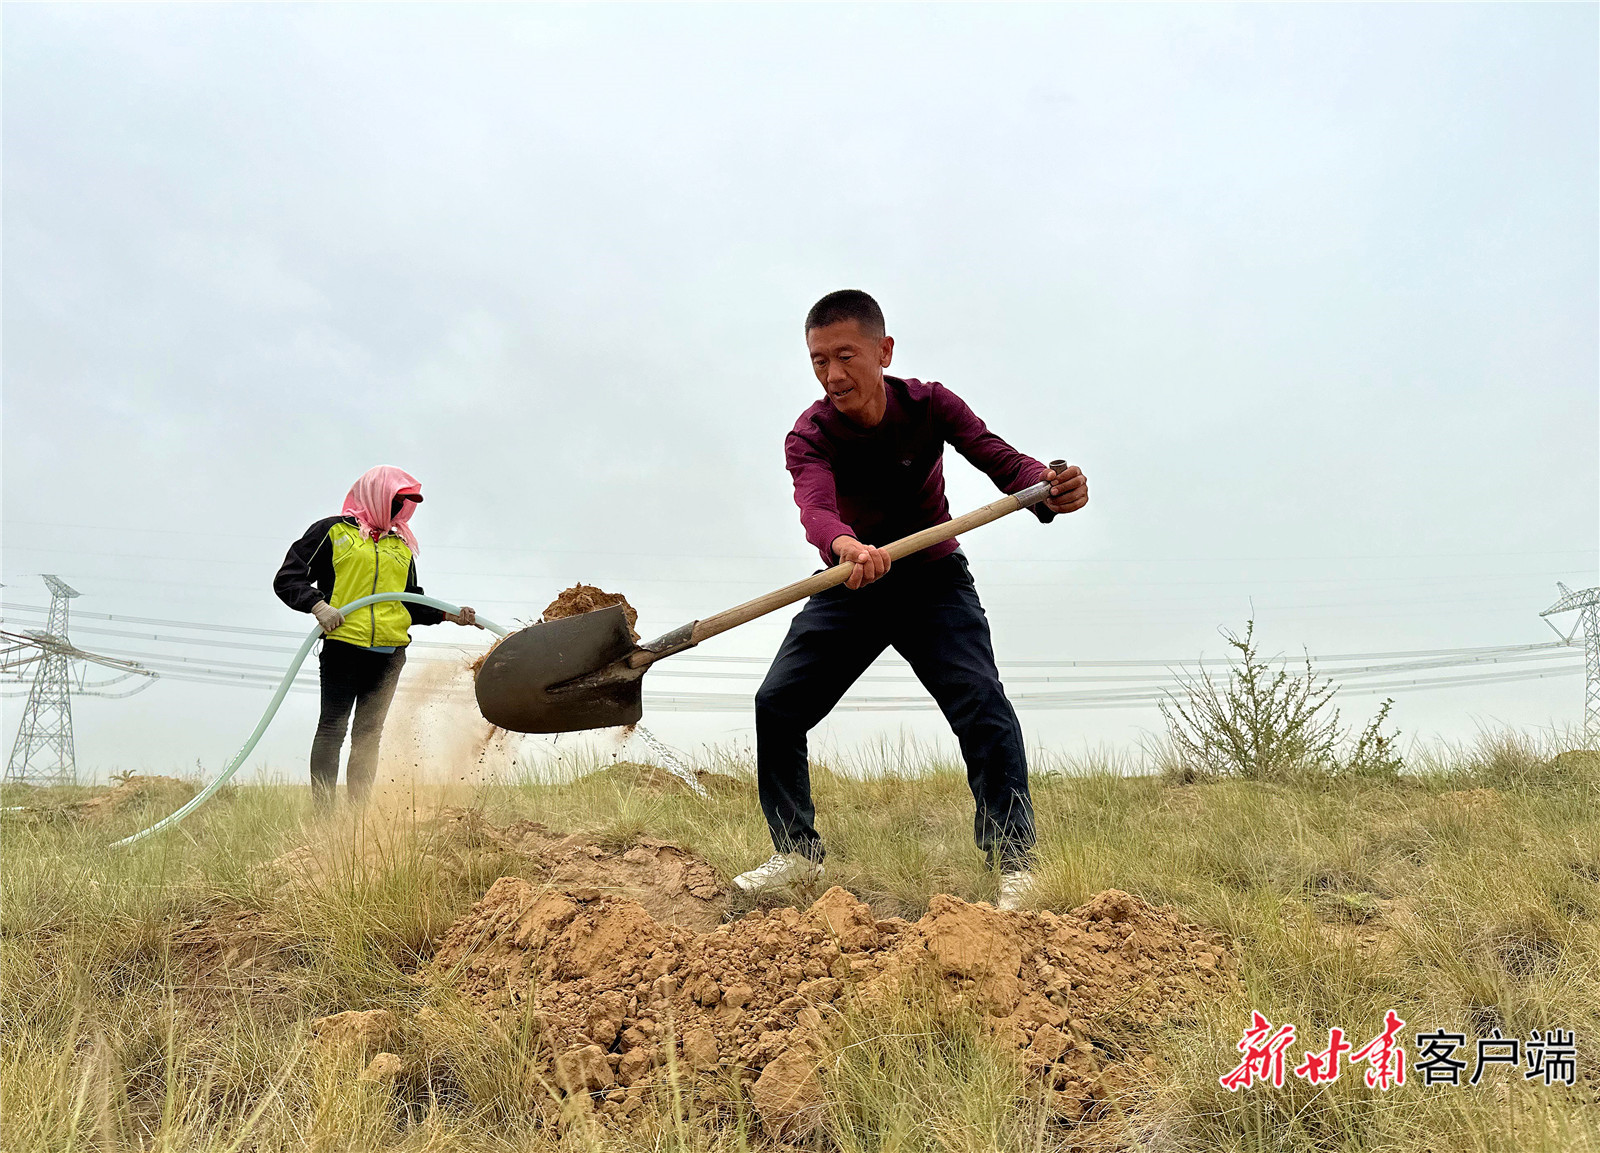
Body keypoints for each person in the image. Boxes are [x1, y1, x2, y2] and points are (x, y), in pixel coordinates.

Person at [733, 290, 1089, 910]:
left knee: (981, 702)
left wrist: (1049, 487)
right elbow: (815, 507)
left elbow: (1002, 461)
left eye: (845, 356)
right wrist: (845, 545)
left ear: (884, 350)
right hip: (854, 583)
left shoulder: (930, 405)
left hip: (933, 581)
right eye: (819, 361)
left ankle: (1016, 861)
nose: (833, 375)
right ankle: (795, 853)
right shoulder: (811, 434)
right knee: (778, 703)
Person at [273, 465, 480, 808]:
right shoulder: (332, 532)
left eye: (407, 504)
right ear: (377, 496)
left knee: (368, 736)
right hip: (343, 646)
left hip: (390, 653)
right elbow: (288, 579)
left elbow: (410, 601)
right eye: (397, 501)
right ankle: (324, 818)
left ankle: (358, 819)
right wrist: (317, 605)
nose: (402, 510)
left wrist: (449, 614)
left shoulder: (401, 545)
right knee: (332, 729)